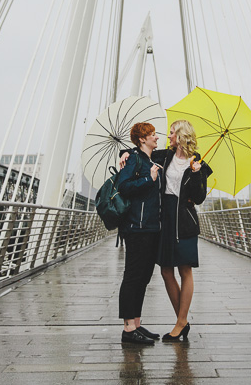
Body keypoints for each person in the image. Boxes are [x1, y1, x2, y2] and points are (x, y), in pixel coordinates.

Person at [121, 119, 212, 341]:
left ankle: (181, 322)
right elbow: (141, 152)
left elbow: (199, 198)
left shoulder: (197, 162)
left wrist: (198, 173)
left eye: (171, 133)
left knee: (185, 270)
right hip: (165, 220)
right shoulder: (165, 156)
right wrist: (125, 152)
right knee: (165, 271)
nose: (167, 136)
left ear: (181, 136)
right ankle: (182, 321)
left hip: (185, 220)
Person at [116, 122, 162, 345]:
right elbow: (123, 185)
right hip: (136, 227)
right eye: (152, 134)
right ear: (142, 139)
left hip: (152, 226)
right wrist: (148, 179)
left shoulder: (152, 160)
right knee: (133, 276)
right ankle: (128, 329)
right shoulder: (134, 159)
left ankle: (137, 322)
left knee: (144, 277)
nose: (156, 137)